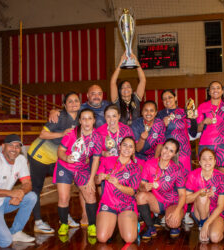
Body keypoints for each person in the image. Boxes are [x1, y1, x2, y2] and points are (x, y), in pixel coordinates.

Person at [28, 92, 80, 234]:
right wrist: (62, 133)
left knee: (65, 186)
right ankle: (37, 222)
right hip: (39, 156)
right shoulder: (59, 117)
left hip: (56, 159)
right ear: (64, 105)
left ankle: (64, 216)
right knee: (36, 189)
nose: (73, 103)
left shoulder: (80, 118)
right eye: (70, 101)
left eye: (76, 100)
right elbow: (42, 134)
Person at [55, 109, 102, 237]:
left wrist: (92, 179)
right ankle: (64, 224)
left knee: (91, 195)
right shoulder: (72, 133)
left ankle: (92, 225)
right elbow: (60, 150)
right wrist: (66, 158)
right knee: (64, 198)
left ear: (94, 120)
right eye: (84, 119)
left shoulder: (97, 137)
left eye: (89, 118)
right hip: (65, 167)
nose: (87, 121)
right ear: (80, 121)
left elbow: (96, 159)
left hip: (82, 168)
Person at [196, 81, 224, 225]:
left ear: (222, 90)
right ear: (208, 91)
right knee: (206, 180)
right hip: (206, 145)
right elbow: (198, 129)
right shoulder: (202, 106)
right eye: (212, 88)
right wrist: (204, 122)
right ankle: (205, 214)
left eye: (218, 88)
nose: (215, 90)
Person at [156, 89, 194, 225]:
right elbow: (156, 135)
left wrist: (193, 118)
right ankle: (168, 210)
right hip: (167, 153)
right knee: (167, 180)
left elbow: (193, 131)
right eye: (164, 99)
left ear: (175, 98)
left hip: (183, 152)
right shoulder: (160, 115)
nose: (167, 101)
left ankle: (187, 212)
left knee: (185, 181)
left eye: (170, 97)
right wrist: (162, 125)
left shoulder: (184, 112)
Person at [137, 139, 186, 239]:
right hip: (158, 202)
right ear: (162, 147)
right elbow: (140, 186)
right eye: (166, 148)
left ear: (174, 154)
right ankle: (150, 227)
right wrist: (144, 187)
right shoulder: (150, 164)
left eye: (171, 151)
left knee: (173, 224)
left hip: (173, 203)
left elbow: (182, 195)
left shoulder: (177, 169)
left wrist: (177, 211)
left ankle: (175, 219)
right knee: (140, 196)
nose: (167, 152)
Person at [95, 137, 141, 243]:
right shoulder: (107, 160)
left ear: (134, 150)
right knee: (102, 238)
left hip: (126, 205)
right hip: (108, 203)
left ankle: (133, 224)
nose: (127, 148)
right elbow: (96, 182)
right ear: (119, 146)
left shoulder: (135, 168)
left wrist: (118, 185)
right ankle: (112, 223)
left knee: (129, 239)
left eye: (131, 146)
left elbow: (132, 191)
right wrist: (99, 177)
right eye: (125, 145)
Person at [186, 148, 224, 243]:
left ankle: (209, 226)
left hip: (217, 213)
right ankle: (202, 224)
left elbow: (221, 206)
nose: (207, 161)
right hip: (199, 212)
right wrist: (199, 192)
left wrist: (207, 224)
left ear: (215, 161)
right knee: (203, 196)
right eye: (204, 159)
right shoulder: (193, 175)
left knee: (215, 238)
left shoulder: (222, 178)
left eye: (210, 158)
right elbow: (186, 199)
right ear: (200, 162)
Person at [110, 53, 146, 125]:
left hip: (136, 131)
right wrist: (121, 63)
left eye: (128, 87)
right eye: (123, 87)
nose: (126, 89)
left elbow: (143, 80)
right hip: (122, 132)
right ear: (119, 91)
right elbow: (113, 82)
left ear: (132, 90)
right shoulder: (116, 101)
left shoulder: (136, 99)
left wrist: (136, 62)